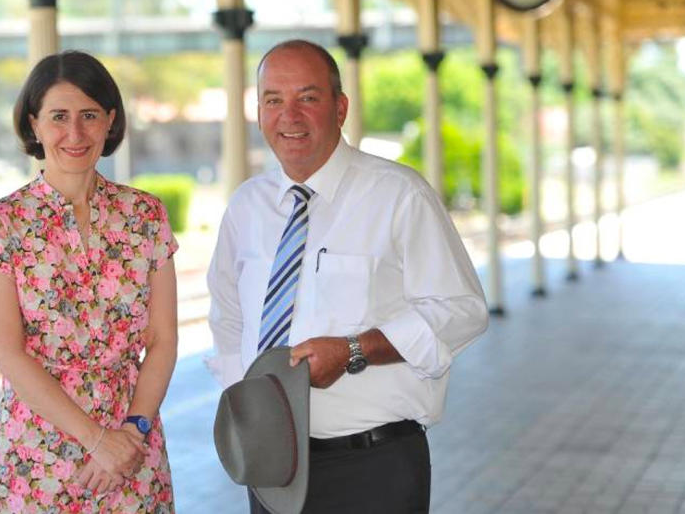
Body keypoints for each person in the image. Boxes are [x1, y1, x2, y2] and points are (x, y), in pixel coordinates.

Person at [207, 39, 489, 513]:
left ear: (340, 108)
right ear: (258, 113)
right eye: (273, 100)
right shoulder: (246, 206)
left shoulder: (399, 195)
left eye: (308, 97)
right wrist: (256, 414)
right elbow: (228, 319)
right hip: (275, 470)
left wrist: (355, 350)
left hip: (373, 467)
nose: (289, 115)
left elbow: (462, 310)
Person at [0, 50, 179, 513]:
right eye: (59, 117)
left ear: (110, 121)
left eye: (89, 116)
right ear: (34, 125)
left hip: (132, 445)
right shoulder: (2, 225)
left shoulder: (146, 215)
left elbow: (162, 339)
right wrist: (97, 440)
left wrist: (132, 433)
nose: (75, 133)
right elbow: (9, 354)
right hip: (33, 454)